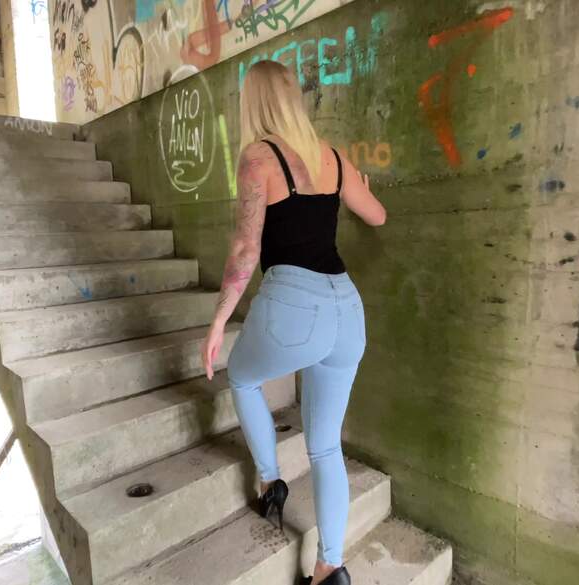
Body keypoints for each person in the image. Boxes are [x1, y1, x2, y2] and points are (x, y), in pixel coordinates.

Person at [201, 60, 386, 585]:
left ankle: (270, 482)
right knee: (325, 446)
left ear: (254, 103)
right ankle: (330, 566)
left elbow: (246, 248)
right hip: (348, 311)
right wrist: (358, 186)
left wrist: (218, 321)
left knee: (242, 377)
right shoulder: (333, 157)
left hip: (294, 304)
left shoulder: (257, 158)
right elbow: (377, 215)